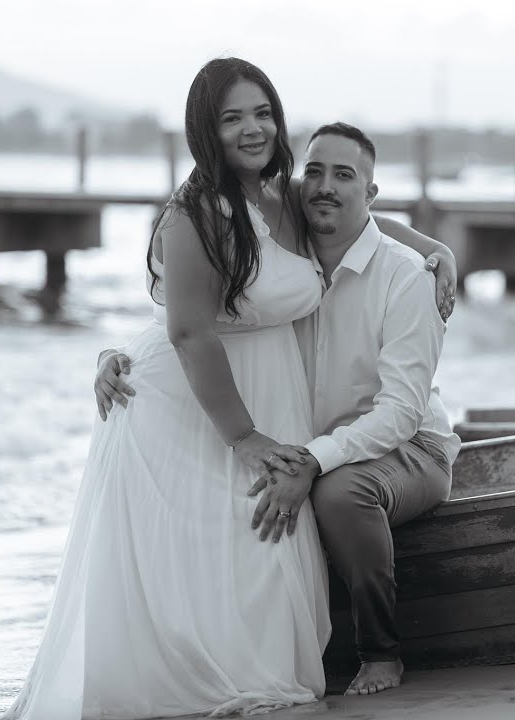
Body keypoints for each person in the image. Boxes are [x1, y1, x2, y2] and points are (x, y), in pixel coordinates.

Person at [2, 58, 456, 720]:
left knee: (263, 547)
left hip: (275, 403)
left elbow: (363, 219)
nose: (253, 129)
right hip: (200, 406)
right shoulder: (195, 214)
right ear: (204, 130)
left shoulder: (285, 198)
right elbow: (186, 329)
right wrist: (226, 425)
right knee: (223, 546)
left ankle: (285, 663)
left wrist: (436, 247)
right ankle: (198, 680)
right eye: (233, 117)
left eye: (263, 112)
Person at [100, 122, 460, 699]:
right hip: (309, 443)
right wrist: (124, 357)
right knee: (226, 498)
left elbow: (399, 414)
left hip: (410, 448)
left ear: (370, 193)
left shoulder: (406, 280)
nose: (325, 186)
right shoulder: (290, 253)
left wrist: (312, 462)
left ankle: (380, 650)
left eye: (345, 176)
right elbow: (207, 319)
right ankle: (209, 648)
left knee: (339, 495)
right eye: (314, 171)